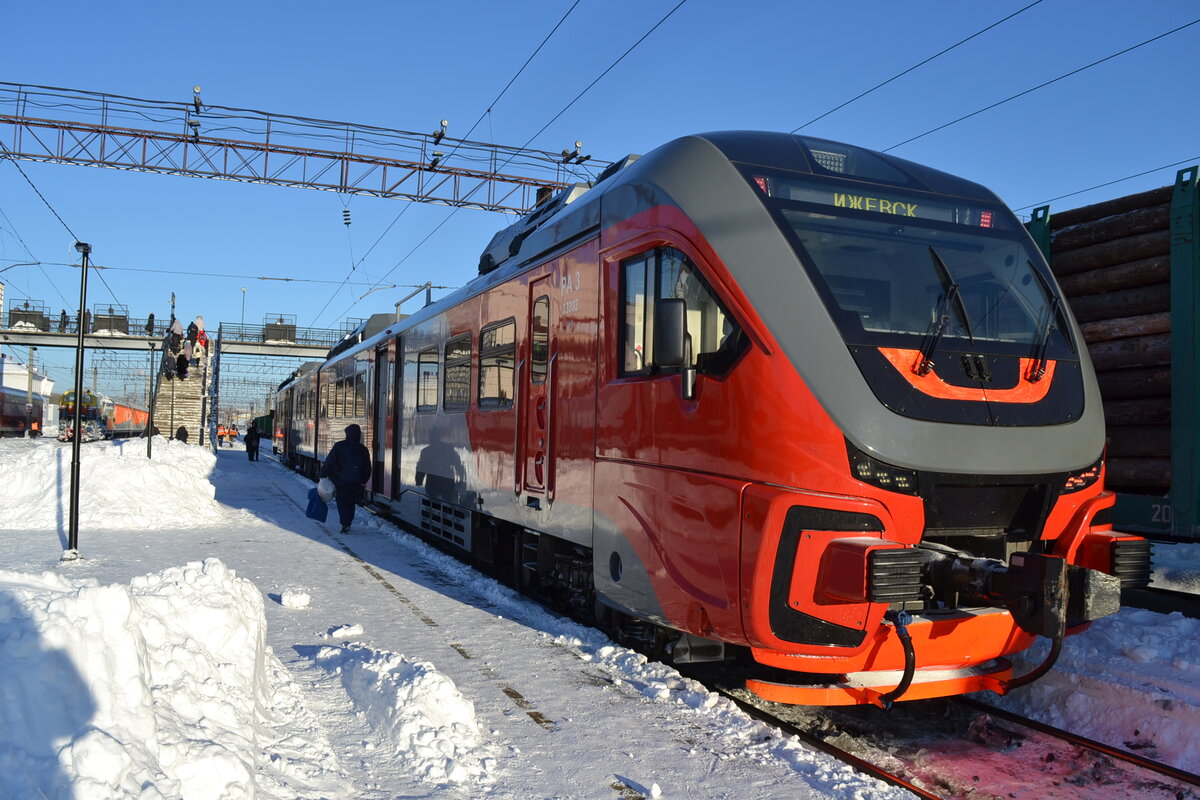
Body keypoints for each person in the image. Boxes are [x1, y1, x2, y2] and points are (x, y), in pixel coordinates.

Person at [320, 424, 372, 533]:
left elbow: (330, 461)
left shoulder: (339, 446)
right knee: (351, 502)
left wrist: (322, 473)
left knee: (342, 502)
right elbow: (367, 467)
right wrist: (363, 480)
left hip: (340, 480)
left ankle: (345, 523)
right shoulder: (363, 449)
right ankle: (348, 521)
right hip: (355, 482)